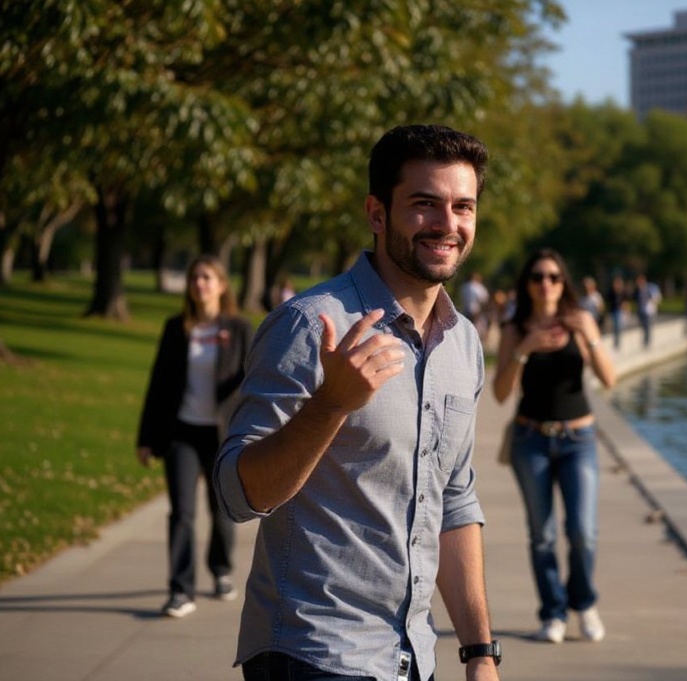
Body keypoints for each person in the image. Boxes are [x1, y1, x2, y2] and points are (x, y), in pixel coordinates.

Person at [214, 125, 500, 681]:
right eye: (425, 204)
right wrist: (330, 405)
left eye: (463, 206)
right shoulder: (310, 325)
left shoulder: (462, 341)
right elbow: (237, 494)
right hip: (314, 652)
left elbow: (454, 499)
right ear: (376, 213)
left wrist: (480, 652)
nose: (448, 224)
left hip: (411, 657)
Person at [492, 248, 616, 645]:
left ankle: (584, 601)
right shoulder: (515, 328)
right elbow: (499, 393)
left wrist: (591, 336)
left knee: (583, 532)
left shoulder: (579, 322)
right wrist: (524, 349)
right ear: (527, 284)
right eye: (538, 277)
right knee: (542, 535)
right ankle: (553, 611)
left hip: (579, 440)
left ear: (564, 283)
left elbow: (609, 380)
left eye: (553, 277)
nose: (546, 283)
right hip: (532, 440)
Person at [136, 254, 253, 618]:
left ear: (221, 284)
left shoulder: (238, 328)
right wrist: (145, 437)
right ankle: (180, 589)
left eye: (207, 277)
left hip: (222, 434)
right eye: (194, 278)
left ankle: (220, 570)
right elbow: (157, 384)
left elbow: (253, 381)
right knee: (181, 512)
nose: (199, 283)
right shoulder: (176, 328)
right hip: (181, 433)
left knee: (221, 511)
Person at [460, 270, 491, 341]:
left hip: (465, 310)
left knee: (465, 330)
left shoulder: (464, 286)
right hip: (476, 311)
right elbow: (483, 300)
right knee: (475, 332)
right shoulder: (478, 287)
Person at [633, 273, 661, 347]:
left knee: (647, 326)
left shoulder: (649, 288)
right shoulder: (638, 289)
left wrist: (651, 303)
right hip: (641, 310)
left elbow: (656, 298)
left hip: (648, 310)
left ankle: (647, 342)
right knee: (643, 326)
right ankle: (645, 341)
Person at [605, 275, 628, 348]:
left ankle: (617, 341)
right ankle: (616, 342)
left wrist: (626, 308)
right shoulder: (611, 291)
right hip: (614, 310)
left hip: (620, 310)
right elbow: (607, 299)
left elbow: (626, 301)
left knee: (619, 326)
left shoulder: (622, 292)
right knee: (616, 326)